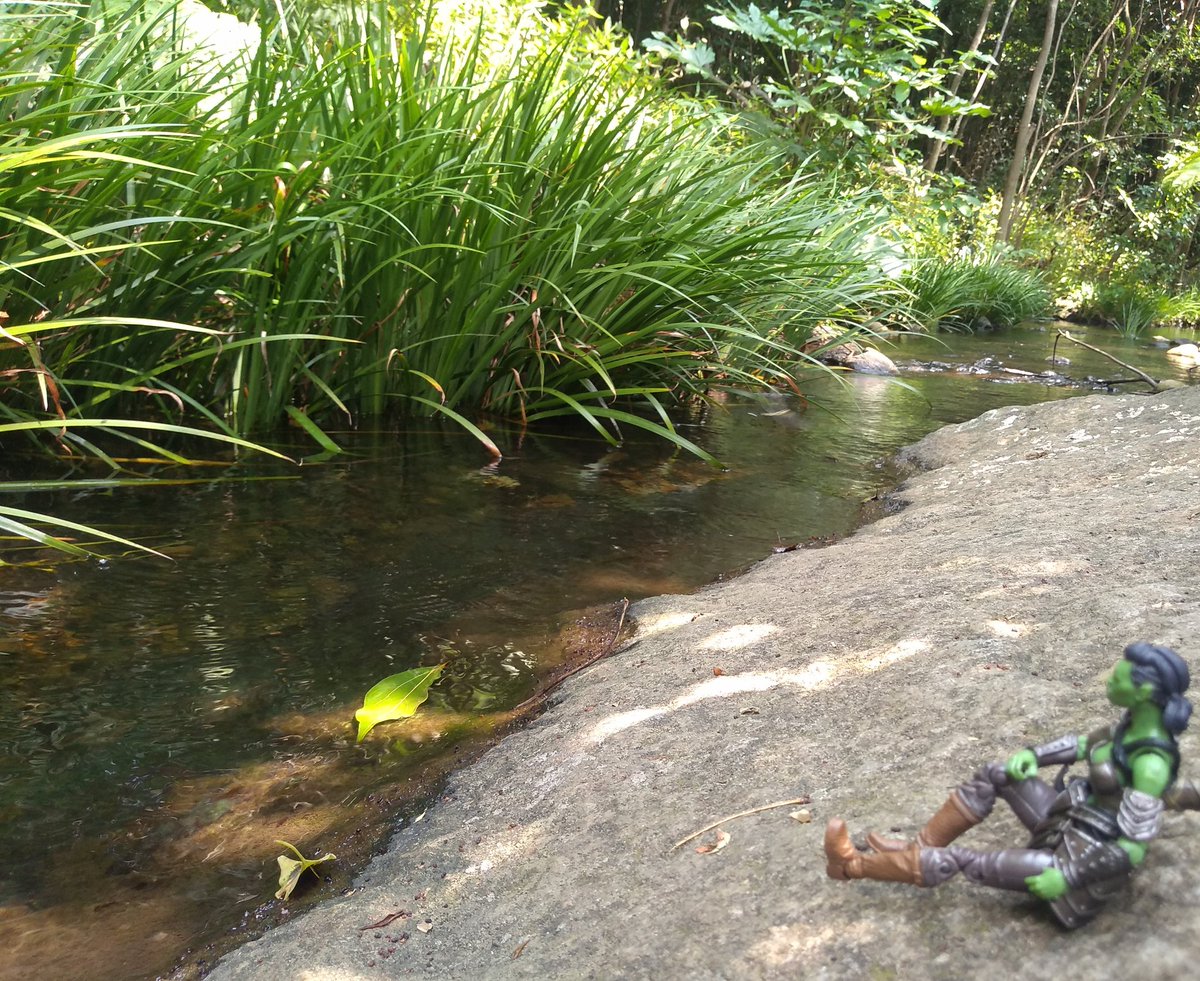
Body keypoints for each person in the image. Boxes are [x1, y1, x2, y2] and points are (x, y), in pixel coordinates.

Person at [824, 642, 1192, 927]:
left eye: (1119, 678)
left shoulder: (1151, 765)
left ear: (1145, 692)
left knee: (961, 861)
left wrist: (1066, 877)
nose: (1109, 679)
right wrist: (1035, 755)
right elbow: (1083, 744)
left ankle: (852, 866)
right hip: (1066, 817)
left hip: (1074, 860)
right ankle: (918, 848)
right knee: (997, 773)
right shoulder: (1128, 726)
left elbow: (1131, 850)